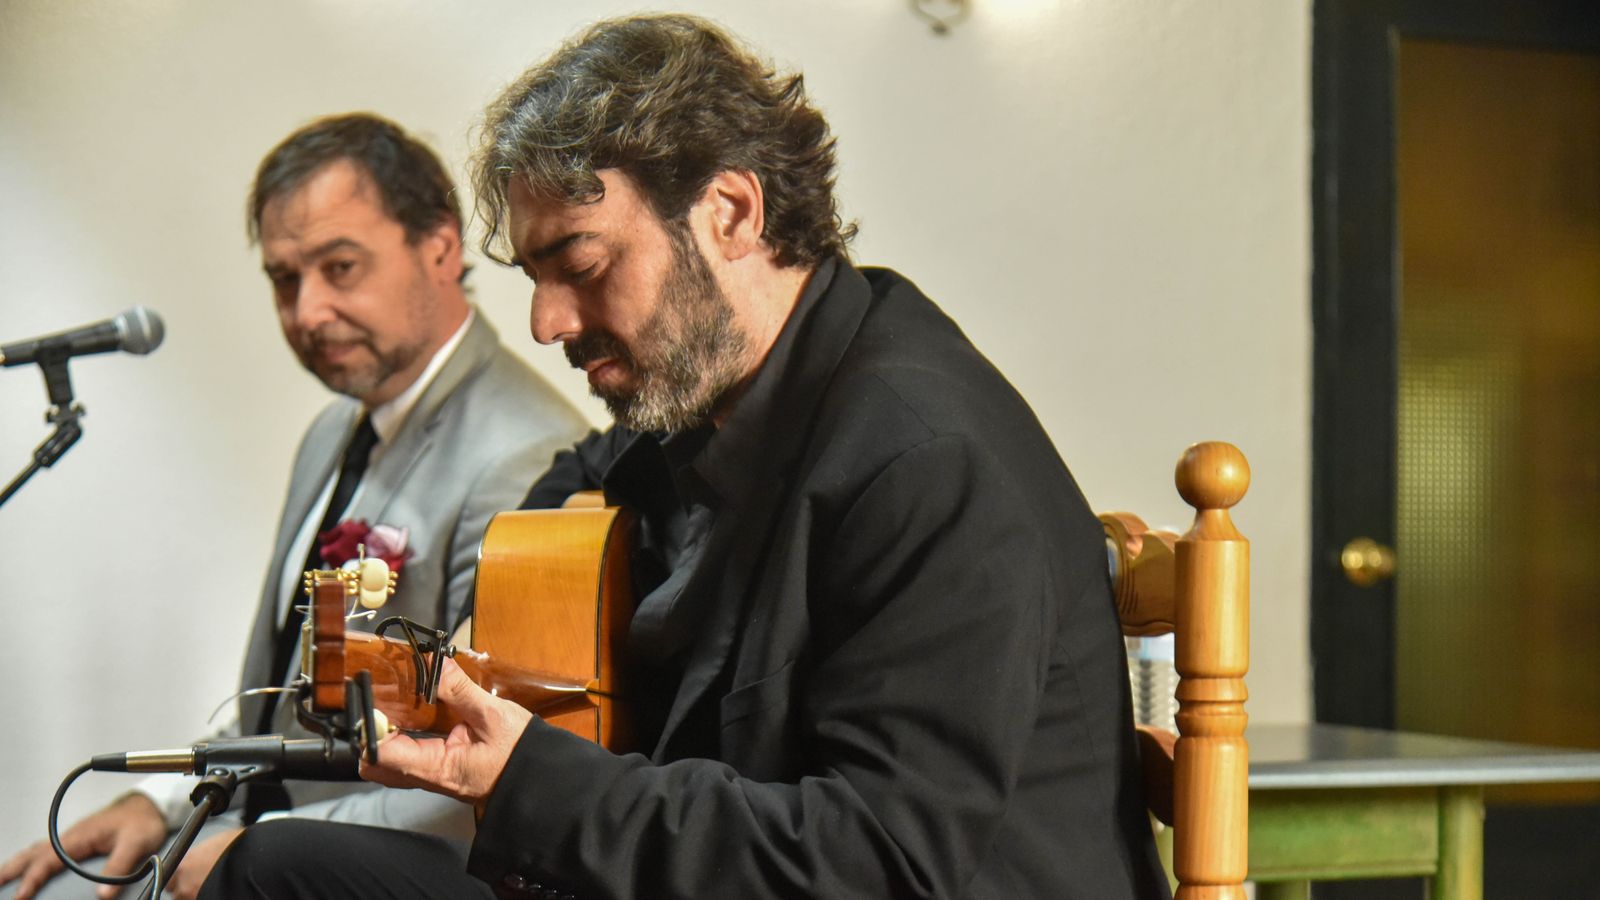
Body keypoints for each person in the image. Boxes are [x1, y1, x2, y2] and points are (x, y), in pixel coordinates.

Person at [201, 16, 1170, 899]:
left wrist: (527, 774)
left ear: (732, 213)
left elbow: (880, 859)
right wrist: (480, 642)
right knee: (280, 866)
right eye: (536, 280)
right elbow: (586, 474)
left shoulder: (922, 457)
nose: (547, 323)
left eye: (580, 266)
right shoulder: (727, 391)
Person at [0, 113, 589, 900]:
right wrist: (164, 802)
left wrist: (248, 846)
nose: (308, 311)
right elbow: (279, 705)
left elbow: (482, 777)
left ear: (441, 247)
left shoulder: (528, 456)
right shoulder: (332, 432)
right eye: (285, 279)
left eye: (340, 267)